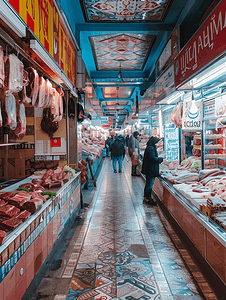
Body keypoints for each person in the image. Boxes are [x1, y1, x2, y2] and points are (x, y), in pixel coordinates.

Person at [141, 136, 163, 205]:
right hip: (150, 170)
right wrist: (160, 159)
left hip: (149, 169)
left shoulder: (150, 147)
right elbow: (153, 159)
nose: (157, 144)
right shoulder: (151, 148)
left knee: (148, 184)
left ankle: (146, 197)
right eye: (156, 142)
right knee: (149, 185)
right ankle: (147, 199)